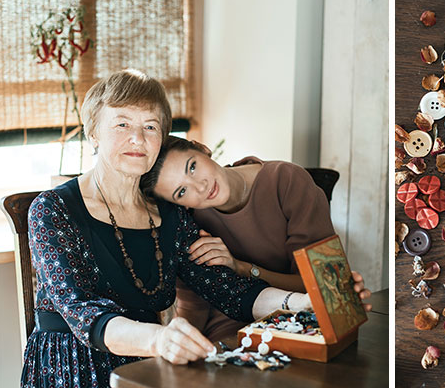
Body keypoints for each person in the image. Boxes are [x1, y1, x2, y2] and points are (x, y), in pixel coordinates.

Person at [21, 69, 307, 388]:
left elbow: (234, 291)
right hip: (74, 383)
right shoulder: (53, 211)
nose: (138, 137)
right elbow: (84, 315)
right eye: (122, 124)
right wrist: (161, 338)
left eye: (150, 126)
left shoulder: (169, 217)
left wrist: (304, 303)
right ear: (93, 131)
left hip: (153, 369)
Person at [139, 136, 372, 342]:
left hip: (304, 322)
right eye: (181, 192)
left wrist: (241, 268)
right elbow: (193, 307)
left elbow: (323, 285)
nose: (200, 187)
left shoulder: (287, 180)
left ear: (202, 149)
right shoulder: (190, 223)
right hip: (231, 334)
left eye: (192, 167)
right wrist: (172, 349)